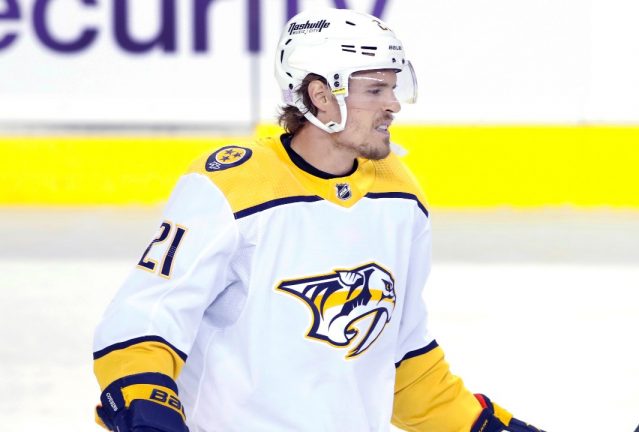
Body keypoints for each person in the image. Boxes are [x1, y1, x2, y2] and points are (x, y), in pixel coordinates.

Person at [92, 7, 544, 432]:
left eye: (392, 86)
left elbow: (402, 365)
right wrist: (146, 409)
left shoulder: (399, 196)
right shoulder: (231, 187)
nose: (394, 105)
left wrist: (480, 424)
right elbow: (146, 321)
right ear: (321, 97)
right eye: (375, 90)